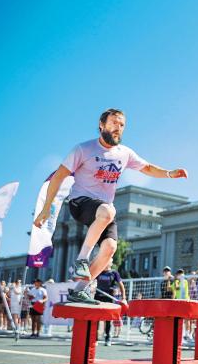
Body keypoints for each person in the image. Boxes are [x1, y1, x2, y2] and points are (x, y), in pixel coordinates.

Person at [33, 108, 188, 304]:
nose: (118, 128)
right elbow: (58, 178)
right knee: (108, 211)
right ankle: (82, 260)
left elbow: (147, 168)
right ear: (101, 125)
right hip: (80, 203)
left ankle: (80, 289)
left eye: (122, 125)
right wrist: (46, 208)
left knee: (110, 248)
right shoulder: (83, 149)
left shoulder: (124, 153)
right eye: (114, 123)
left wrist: (169, 173)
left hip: (103, 209)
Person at [94, 263, 125, 346]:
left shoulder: (114, 273)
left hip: (109, 298)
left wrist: (124, 297)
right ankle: (95, 339)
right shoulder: (99, 271)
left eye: (108, 262)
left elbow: (121, 285)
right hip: (98, 297)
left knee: (108, 319)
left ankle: (108, 338)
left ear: (110, 264)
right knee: (96, 319)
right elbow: (91, 281)